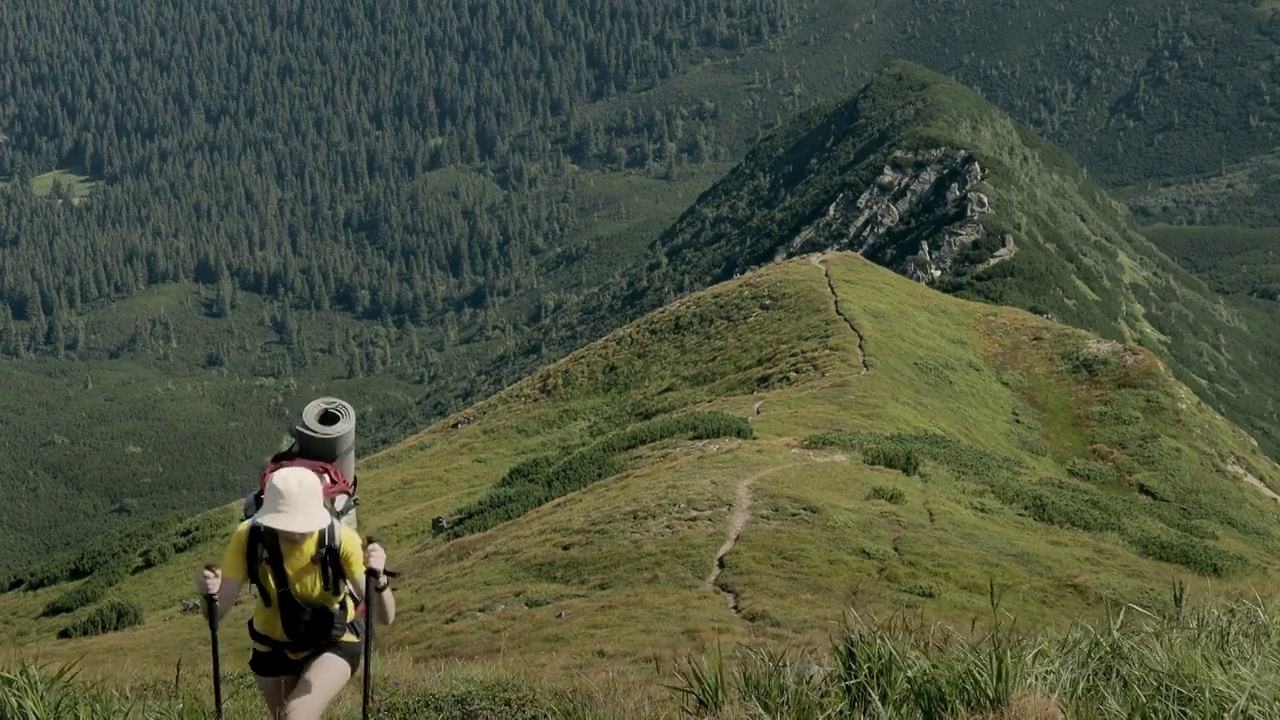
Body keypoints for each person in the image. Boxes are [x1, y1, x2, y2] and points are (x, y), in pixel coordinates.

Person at [195, 465, 397, 720]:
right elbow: (216, 613)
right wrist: (209, 595)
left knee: (296, 716)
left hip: (334, 640)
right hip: (271, 648)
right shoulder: (248, 537)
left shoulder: (341, 538)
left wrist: (378, 578)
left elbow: (383, 616)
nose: (298, 530)